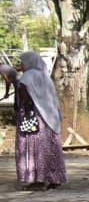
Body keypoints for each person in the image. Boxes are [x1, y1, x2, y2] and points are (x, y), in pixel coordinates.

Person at [14, 51, 67, 190]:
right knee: (50, 147)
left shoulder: (27, 76)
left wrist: (22, 109)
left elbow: (24, 95)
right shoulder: (45, 77)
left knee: (32, 147)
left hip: (33, 118)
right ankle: (55, 178)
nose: (21, 65)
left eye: (22, 62)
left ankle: (38, 180)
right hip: (49, 118)